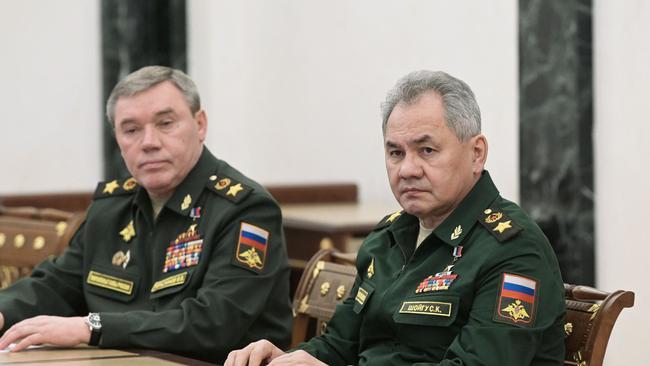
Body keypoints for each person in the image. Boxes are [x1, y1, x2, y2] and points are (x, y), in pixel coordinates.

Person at [225, 70, 566, 366]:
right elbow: (338, 346)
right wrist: (281, 358)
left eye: (427, 150)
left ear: (476, 153)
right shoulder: (389, 237)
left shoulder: (513, 250)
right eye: (395, 152)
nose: (407, 169)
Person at [0, 66, 292, 363]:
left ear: (200, 124)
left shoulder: (245, 209)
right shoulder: (112, 207)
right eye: (131, 130)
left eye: (165, 123)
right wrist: (3, 311)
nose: (149, 142)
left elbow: (213, 323)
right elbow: (57, 285)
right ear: (117, 139)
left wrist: (92, 327)